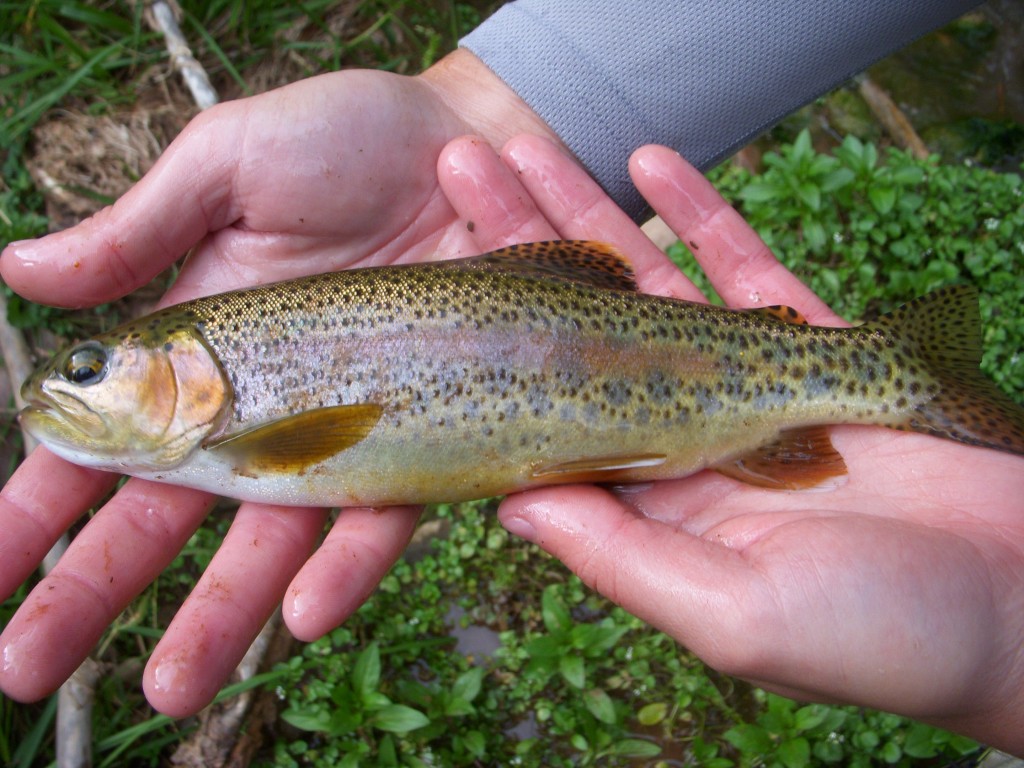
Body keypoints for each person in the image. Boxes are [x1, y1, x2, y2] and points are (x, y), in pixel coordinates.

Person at [5, 0, 1020, 755]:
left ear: (182, 369)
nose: (68, 388)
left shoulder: (240, 437)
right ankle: (896, 375)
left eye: (88, 370)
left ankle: (895, 374)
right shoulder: (226, 428)